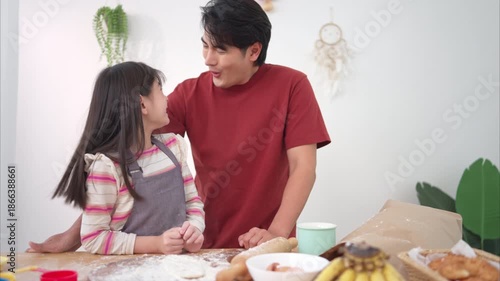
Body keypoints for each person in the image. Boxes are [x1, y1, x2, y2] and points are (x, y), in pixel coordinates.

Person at [28, 0, 330, 252]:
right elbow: (123, 153)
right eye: (205, 46)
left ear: (253, 51)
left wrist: (275, 232)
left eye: (220, 50)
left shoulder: (293, 86)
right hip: (199, 244)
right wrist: (75, 234)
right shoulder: (189, 94)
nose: (208, 59)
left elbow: (303, 167)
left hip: (266, 245)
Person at [43, 61, 205, 255]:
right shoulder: (107, 167)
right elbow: (93, 237)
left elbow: (193, 204)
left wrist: (194, 230)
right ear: (142, 104)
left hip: (176, 269)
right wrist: (156, 244)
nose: (167, 99)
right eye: (160, 91)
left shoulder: (173, 149)